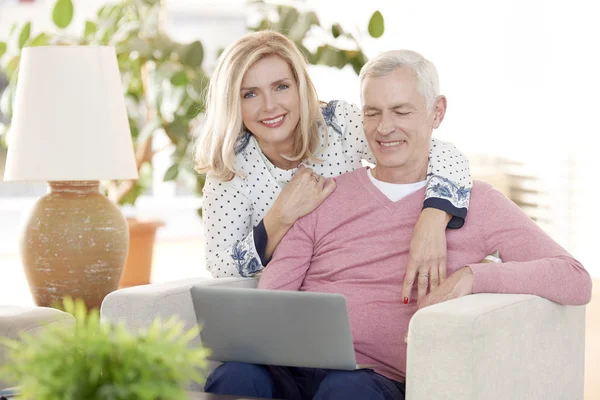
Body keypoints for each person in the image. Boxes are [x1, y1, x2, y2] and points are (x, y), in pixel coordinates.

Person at [203, 49, 592, 400]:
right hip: (293, 368)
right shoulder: (322, 193)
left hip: (373, 379)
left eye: (401, 111)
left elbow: (575, 278)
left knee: (346, 390)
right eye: (373, 113)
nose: (384, 128)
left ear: (437, 112)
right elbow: (272, 295)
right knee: (235, 376)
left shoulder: (479, 202)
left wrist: (473, 277)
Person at [194, 31, 472, 298]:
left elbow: (439, 154)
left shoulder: (338, 125)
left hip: (360, 279)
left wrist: (433, 219)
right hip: (290, 300)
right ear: (233, 102)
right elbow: (220, 265)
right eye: (250, 94)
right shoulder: (230, 168)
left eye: (281, 87)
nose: (269, 106)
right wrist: (279, 218)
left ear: (300, 87)